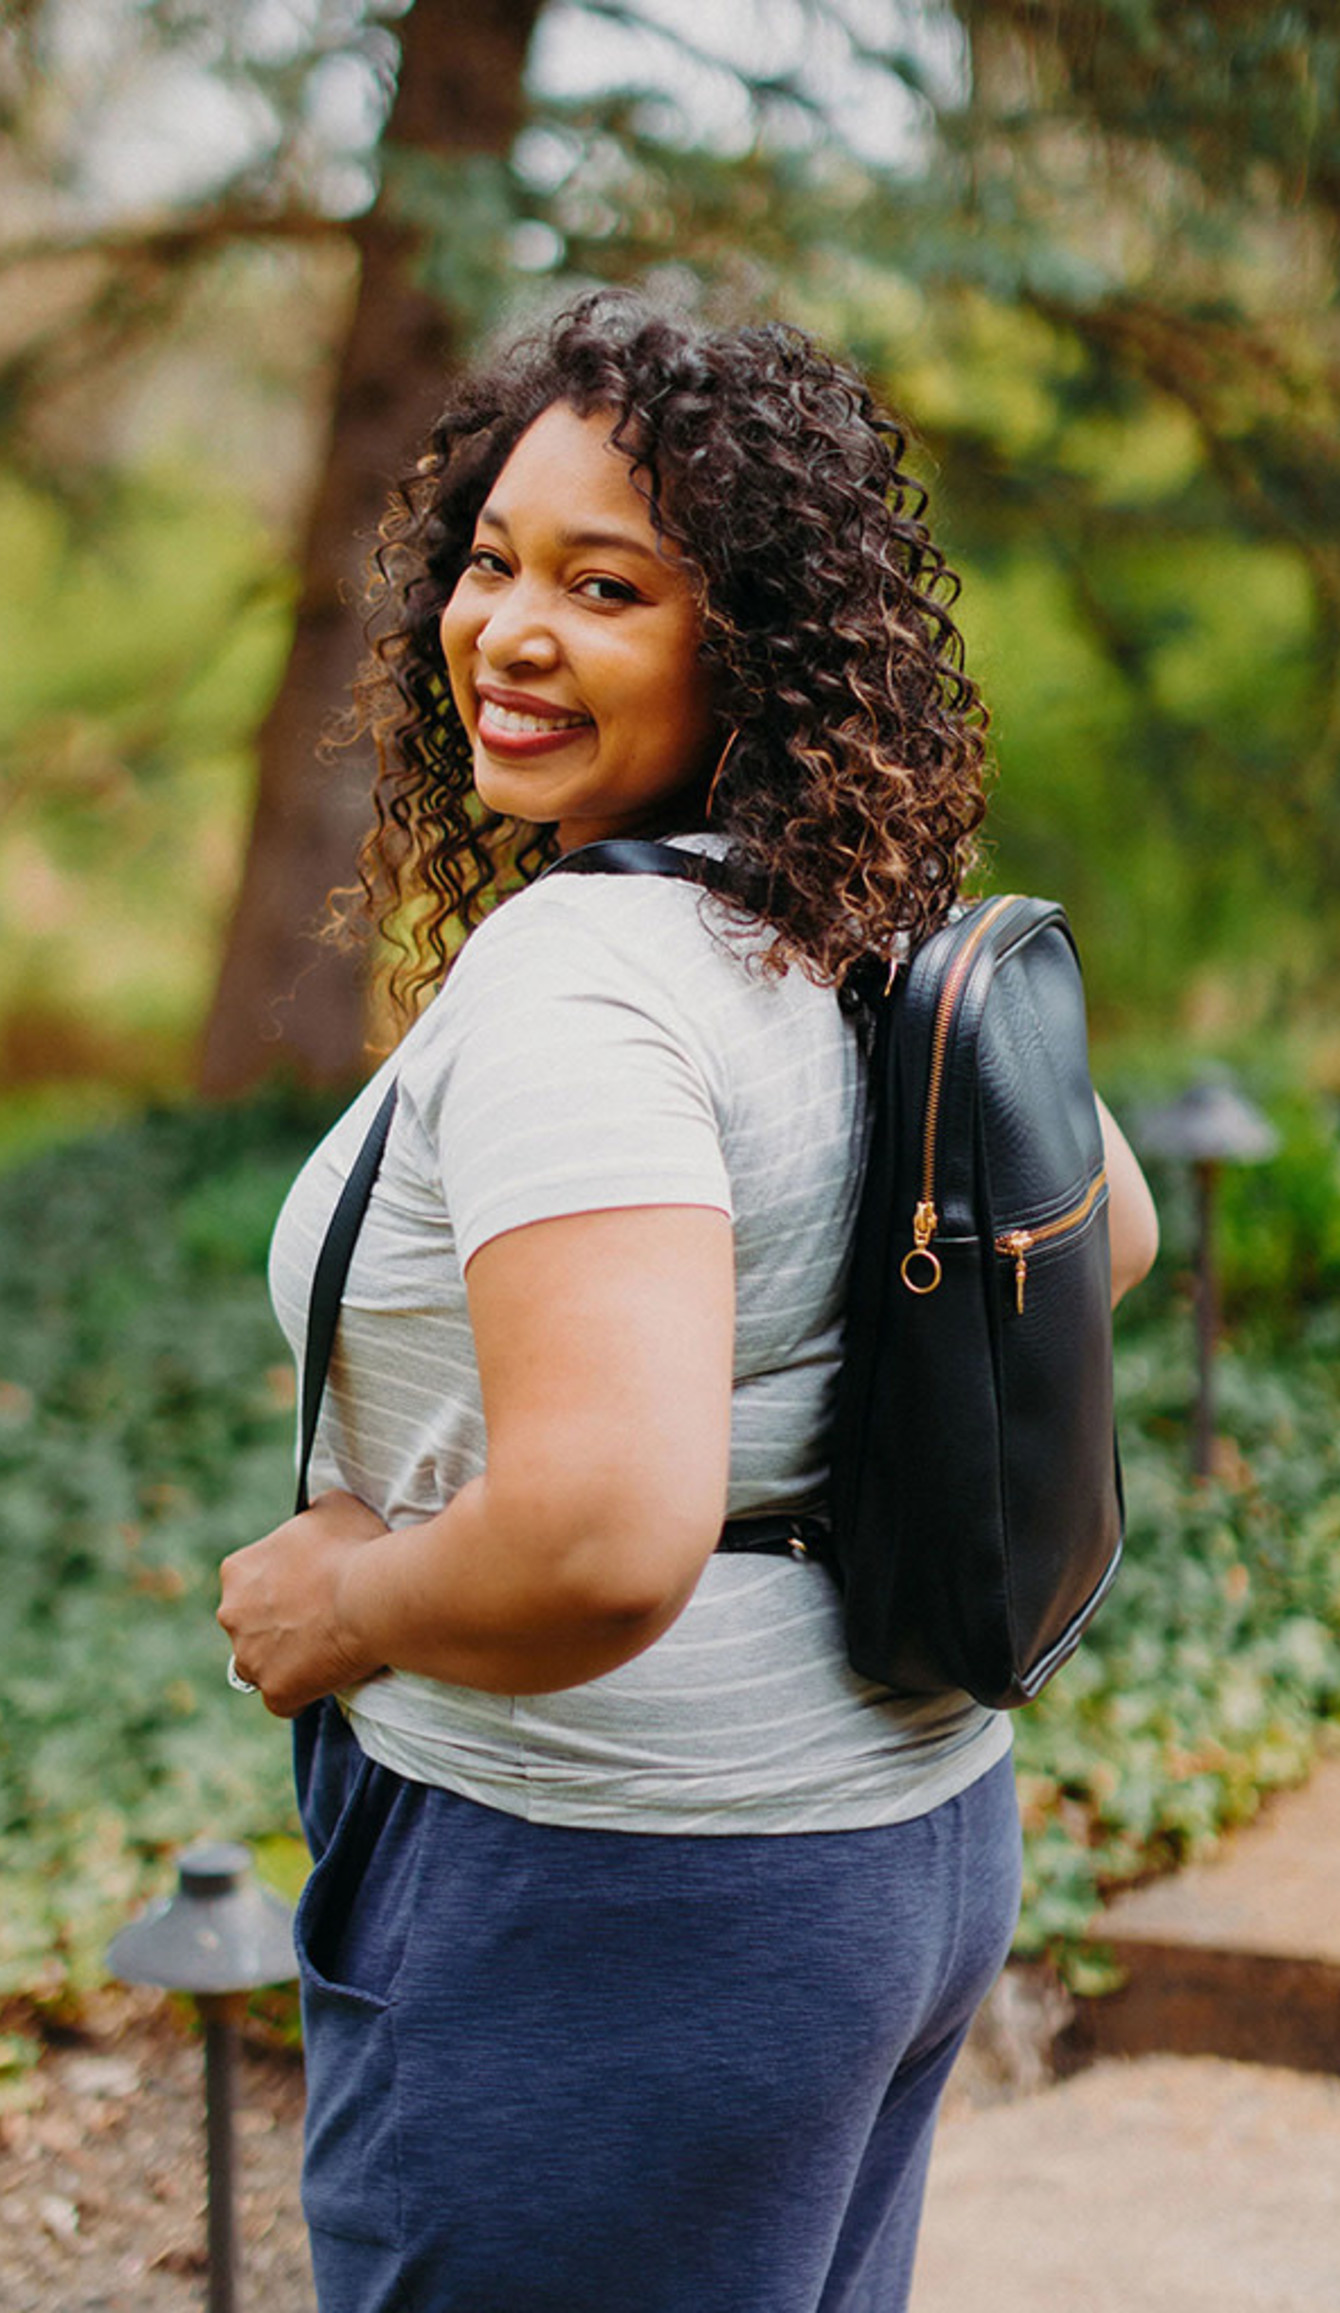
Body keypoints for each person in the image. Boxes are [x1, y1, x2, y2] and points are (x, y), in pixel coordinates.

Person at [218, 292, 1158, 2313]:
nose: (508, 627)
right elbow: (1114, 1232)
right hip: (894, 1840)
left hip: (612, 1889)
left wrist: (336, 1603)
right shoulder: (853, 909)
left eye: (606, 584)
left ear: (744, 641)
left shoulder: (588, 985)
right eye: (490, 559)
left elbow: (598, 1533)